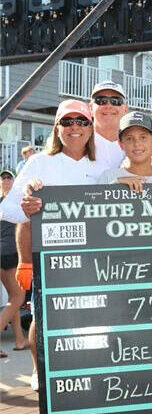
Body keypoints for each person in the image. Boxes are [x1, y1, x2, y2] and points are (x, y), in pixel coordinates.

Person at [0, 99, 108, 391]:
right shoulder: (39, 163)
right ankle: (39, 370)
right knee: (43, 320)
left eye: (82, 121)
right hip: (51, 260)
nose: (75, 127)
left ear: (90, 127)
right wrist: (27, 206)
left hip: (96, 261)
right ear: (57, 128)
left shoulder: (106, 162)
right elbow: (8, 211)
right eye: (67, 122)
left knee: (92, 320)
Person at [0, 169, 29, 358]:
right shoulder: (17, 202)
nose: (6, 180)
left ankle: (20, 340)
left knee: (13, 298)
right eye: (3, 178)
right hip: (10, 252)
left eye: (10, 177)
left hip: (5, 252)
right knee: (18, 298)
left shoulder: (15, 200)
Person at [89, 80, 128, 169]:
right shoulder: (78, 145)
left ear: (125, 109)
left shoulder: (136, 147)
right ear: (91, 108)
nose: (109, 106)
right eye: (101, 100)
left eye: (116, 101)